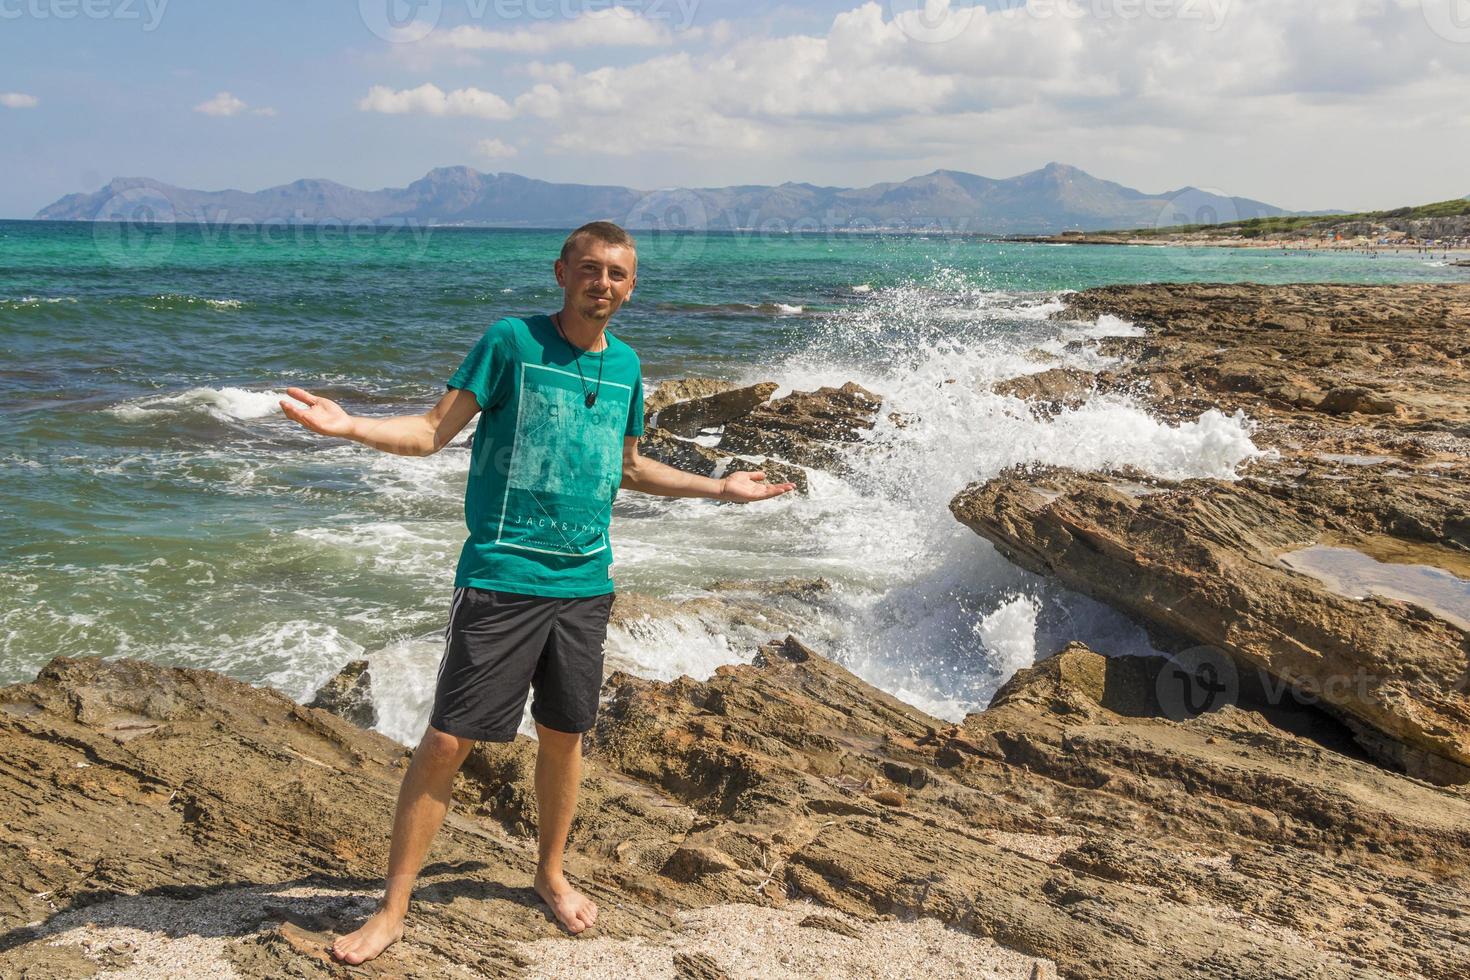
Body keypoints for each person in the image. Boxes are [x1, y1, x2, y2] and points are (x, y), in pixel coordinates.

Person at [278, 221, 795, 965]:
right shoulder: (511, 344)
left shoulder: (625, 366)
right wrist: (350, 425)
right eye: (590, 270)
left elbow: (632, 469)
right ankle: (392, 907)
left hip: (585, 584)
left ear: (633, 284)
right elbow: (431, 432)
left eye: (617, 274)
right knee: (450, 738)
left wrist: (720, 488)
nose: (603, 284)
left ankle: (549, 873)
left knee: (565, 734)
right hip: (501, 575)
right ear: (562, 272)